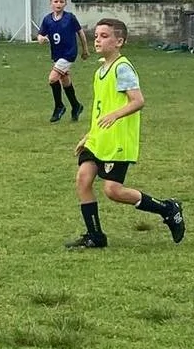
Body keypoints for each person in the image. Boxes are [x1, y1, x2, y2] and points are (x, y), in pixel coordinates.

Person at [65, 17, 185, 249]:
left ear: (119, 41)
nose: (98, 40)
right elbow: (102, 108)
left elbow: (138, 101)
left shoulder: (123, 68)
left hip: (117, 140)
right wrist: (89, 135)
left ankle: (168, 208)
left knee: (113, 191)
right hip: (99, 139)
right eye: (97, 35)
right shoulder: (101, 70)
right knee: (83, 179)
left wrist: (116, 115)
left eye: (105, 36)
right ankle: (95, 236)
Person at [36, 0, 89, 123]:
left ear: (65, 3)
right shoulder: (47, 19)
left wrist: (85, 50)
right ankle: (76, 106)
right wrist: (41, 39)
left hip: (69, 53)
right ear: (51, 3)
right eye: (56, 1)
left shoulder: (70, 18)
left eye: (61, 1)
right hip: (57, 55)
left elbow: (80, 33)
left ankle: (59, 106)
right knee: (65, 80)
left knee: (53, 79)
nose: (58, 4)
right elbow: (40, 35)